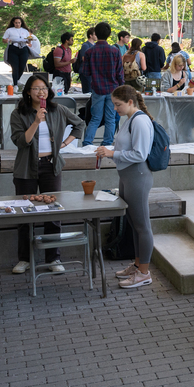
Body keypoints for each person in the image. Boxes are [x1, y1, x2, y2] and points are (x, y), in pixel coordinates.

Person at [9, 74, 85, 275]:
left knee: (53, 212)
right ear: (28, 92)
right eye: (36, 88)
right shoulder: (19, 113)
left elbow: (80, 124)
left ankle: (53, 257)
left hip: (51, 166)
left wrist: (64, 144)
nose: (41, 92)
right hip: (26, 168)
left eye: (44, 88)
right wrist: (36, 121)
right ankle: (24, 259)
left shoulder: (57, 109)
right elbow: (21, 142)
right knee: (25, 213)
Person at [96, 85, 156, 289]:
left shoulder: (139, 120)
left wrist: (112, 154)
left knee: (142, 225)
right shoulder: (130, 119)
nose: (115, 108)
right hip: (127, 174)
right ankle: (138, 265)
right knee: (133, 222)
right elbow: (127, 148)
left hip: (137, 175)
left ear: (130, 102)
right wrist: (110, 151)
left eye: (118, 104)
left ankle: (144, 273)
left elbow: (141, 154)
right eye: (114, 104)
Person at [80, 22, 125, 147]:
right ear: (109, 34)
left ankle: (87, 143)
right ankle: (107, 143)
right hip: (113, 90)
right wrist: (121, 86)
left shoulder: (89, 52)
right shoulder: (115, 51)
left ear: (96, 34)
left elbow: (86, 72)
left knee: (95, 118)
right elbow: (119, 73)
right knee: (110, 118)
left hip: (97, 89)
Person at [2, 17, 35, 86]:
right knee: (15, 67)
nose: (17, 24)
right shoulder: (9, 30)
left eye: (19, 23)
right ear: (13, 23)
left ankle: (17, 79)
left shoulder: (25, 31)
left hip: (23, 48)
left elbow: (28, 40)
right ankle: (15, 84)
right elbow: (3, 40)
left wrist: (29, 40)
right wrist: (7, 40)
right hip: (13, 48)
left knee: (22, 66)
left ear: (21, 23)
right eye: (16, 23)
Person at [76, 27, 97, 94]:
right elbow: (83, 58)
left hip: (93, 71)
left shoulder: (95, 45)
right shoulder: (86, 45)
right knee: (87, 91)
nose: (97, 36)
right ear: (90, 35)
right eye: (95, 34)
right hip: (86, 71)